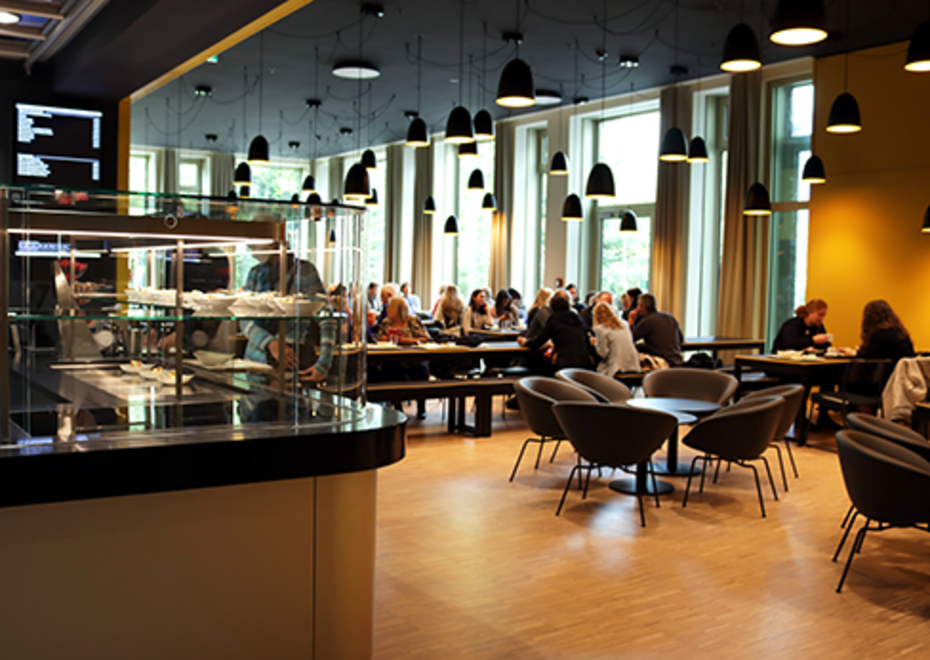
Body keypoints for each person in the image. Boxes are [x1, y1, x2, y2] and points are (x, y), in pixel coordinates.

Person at [240, 246, 334, 383]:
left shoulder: (304, 271)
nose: (251, 249)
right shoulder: (256, 273)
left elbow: (327, 317)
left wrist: (324, 362)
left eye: (254, 245)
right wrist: (270, 342)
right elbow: (243, 319)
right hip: (255, 365)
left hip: (292, 363)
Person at [375, 296, 430, 418]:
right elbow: (379, 339)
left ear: (398, 309)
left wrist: (406, 341)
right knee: (390, 369)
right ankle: (397, 407)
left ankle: (421, 407)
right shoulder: (386, 322)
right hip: (394, 360)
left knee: (421, 370)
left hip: (414, 360)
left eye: (390, 307)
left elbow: (425, 339)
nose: (387, 309)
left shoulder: (413, 321)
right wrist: (386, 338)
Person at [518, 293, 595, 371]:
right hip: (585, 364)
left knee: (543, 368)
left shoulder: (554, 320)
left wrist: (525, 342)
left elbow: (539, 341)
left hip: (565, 365)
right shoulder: (580, 320)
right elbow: (587, 343)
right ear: (568, 307)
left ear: (552, 310)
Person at [857, 299, 915, 366]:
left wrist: (858, 353)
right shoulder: (901, 332)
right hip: (905, 371)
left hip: (887, 371)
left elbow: (868, 361)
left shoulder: (879, 335)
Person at [632, 293, 683, 367]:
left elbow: (630, 339)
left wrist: (631, 322)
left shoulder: (646, 321)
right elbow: (680, 339)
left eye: (638, 305)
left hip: (662, 364)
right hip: (678, 362)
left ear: (642, 307)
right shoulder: (669, 317)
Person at [591, 302, 641, 375]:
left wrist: (595, 343)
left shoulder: (600, 329)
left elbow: (603, 353)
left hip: (617, 367)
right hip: (633, 364)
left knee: (597, 371)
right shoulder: (624, 324)